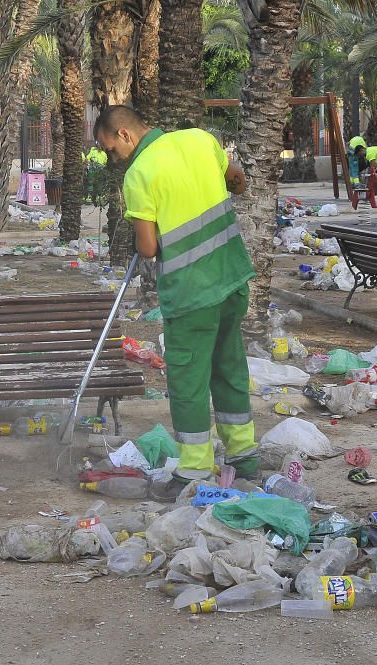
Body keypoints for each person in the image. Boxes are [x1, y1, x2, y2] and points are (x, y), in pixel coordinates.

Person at [93, 105, 260, 483]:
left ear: (125, 135)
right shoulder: (200, 139)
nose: (112, 159)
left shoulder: (140, 174)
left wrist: (141, 232)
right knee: (229, 365)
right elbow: (238, 181)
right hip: (232, 278)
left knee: (188, 380)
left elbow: (148, 248)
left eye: (110, 150)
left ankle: (196, 469)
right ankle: (244, 456)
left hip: (190, 293)